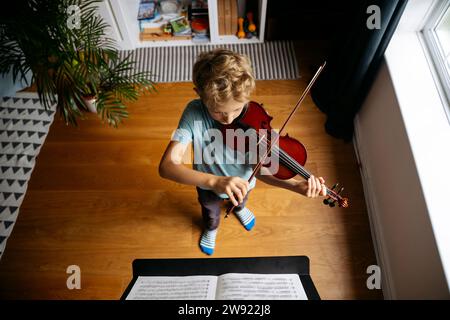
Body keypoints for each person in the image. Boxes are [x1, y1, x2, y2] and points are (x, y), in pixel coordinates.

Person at [159, 49, 326, 255]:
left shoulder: (255, 120)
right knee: (211, 213)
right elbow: (167, 166)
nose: (229, 119)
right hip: (208, 187)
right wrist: (214, 182)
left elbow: (264, 171)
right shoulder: (194, 113)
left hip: (246, 183)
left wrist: (295, 186)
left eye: (237, 109)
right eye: (218, 111)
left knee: (242, 200)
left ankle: (239, 209)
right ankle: (211, 229)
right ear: (199, 94)